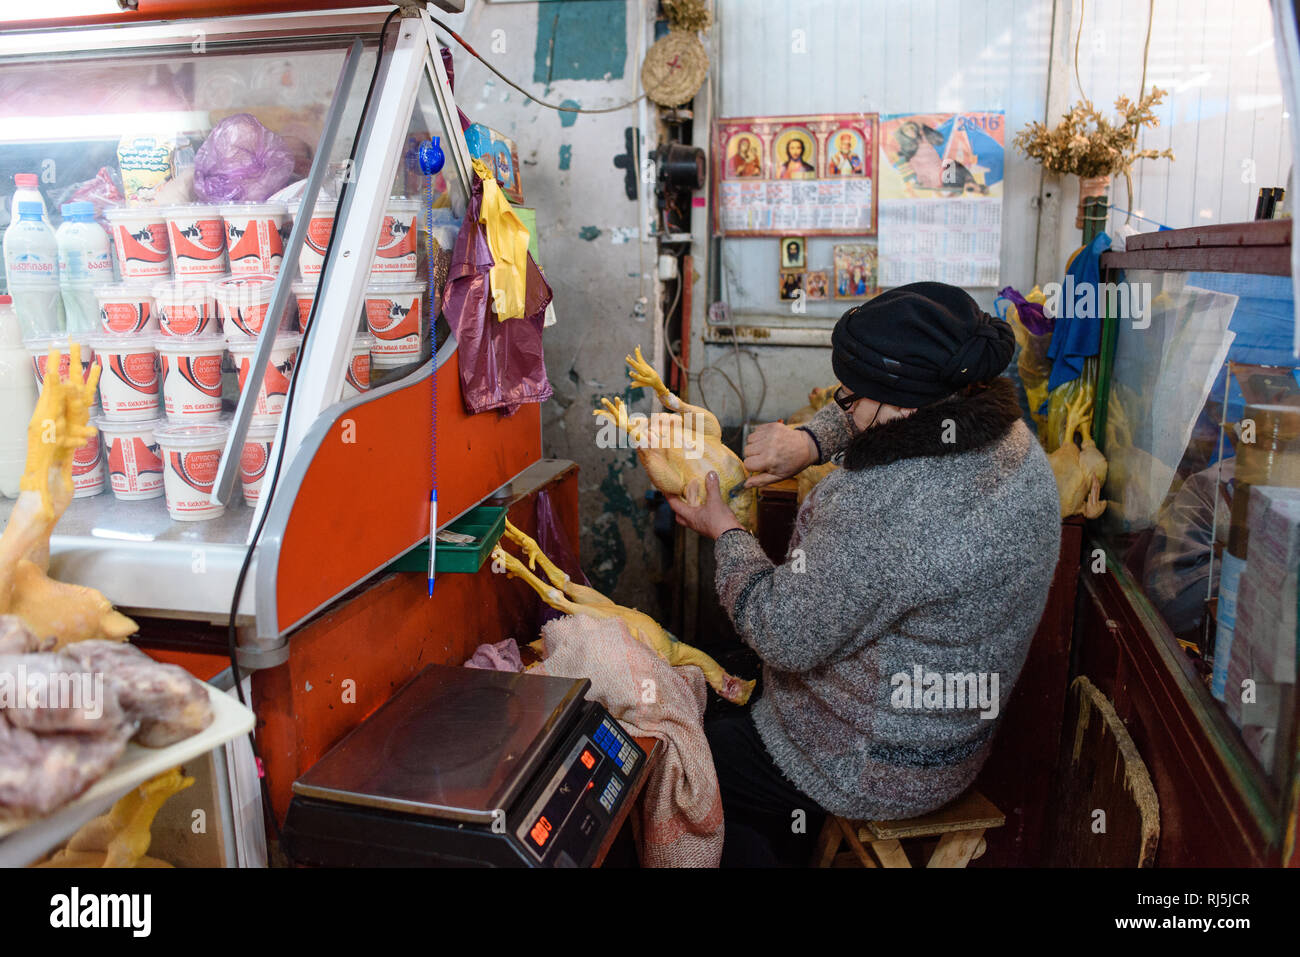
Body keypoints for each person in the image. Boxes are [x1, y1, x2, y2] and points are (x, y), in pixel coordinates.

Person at [667, 282, 1061, 866]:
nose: (842, 405)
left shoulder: (879, 502)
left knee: (686, 759)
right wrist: (811, 440)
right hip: (953, 741)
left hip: (877, 762)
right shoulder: (1014, 446)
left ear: (901, 406)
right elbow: (893, 411)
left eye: (848, 399)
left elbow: (784, 634)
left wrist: (726, 534)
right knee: (720, 669)